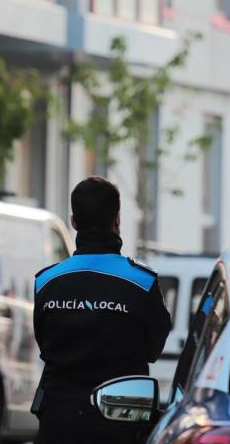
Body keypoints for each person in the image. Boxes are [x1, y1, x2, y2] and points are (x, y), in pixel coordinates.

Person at [32, 176, 171, 444]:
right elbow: (154, 348)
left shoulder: (46, 282)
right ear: (117, 219)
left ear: (73, 222)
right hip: (122, 421)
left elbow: (44, 344)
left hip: (58, 420)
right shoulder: (142, 283)